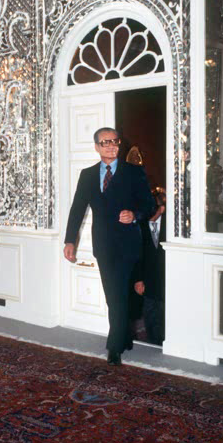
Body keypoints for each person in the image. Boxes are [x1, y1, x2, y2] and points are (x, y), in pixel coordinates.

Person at [64, 127, 155, 366]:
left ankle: (114, 347)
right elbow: (77, 209)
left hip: (128, 244)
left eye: (115, 141)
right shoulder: (87, 175)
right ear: (97, 147)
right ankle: (124, 336)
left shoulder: (133, 172)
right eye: (105, 142)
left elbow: (149, 205)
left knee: (118, 295)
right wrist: (70, 240)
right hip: (103, 245)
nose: (111, 146)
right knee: (113, 294)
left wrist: (134, 215)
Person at [132, 188, 166, 346]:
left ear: (162, 209)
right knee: (150, 312)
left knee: (164, 313)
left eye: (154, 208)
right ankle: (153, 343)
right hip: (148, 278)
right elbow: (137, 255)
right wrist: (138, 280)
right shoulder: (140, 226)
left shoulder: (171, 227)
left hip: (166, 278)